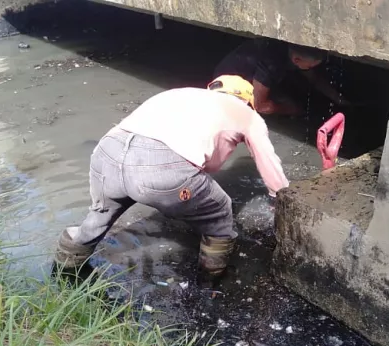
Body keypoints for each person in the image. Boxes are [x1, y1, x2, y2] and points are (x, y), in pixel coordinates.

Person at [55, 75, 289, 277]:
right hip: (160, 171)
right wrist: (282, 198)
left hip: (107, 154)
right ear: (247, 101)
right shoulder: (246, 114)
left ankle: (64, 273)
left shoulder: (179, 94)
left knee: (97, 218)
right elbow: (269, 163)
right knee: (220, 209)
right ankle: (211, 280)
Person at [213, 37, 348, 116]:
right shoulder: (272, 63)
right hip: (226, 85)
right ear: (296, 60)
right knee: (285, 104)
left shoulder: (291, 49)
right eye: (310, 66)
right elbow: (260, 105)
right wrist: (290, 109)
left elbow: (314, 80)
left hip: (255, 74)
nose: (311, 69)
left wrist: (338, 99)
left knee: (292, 94)